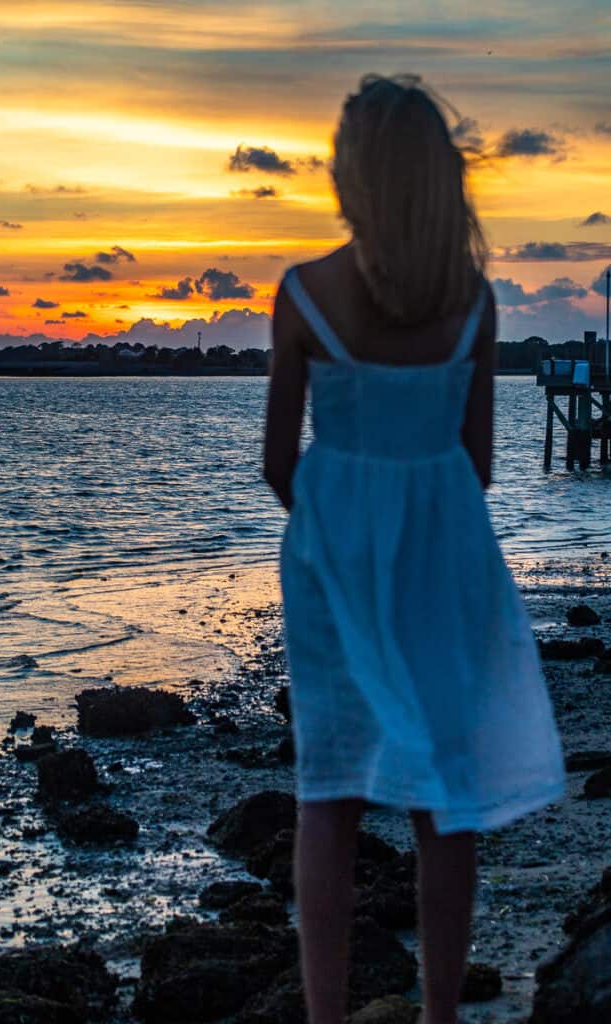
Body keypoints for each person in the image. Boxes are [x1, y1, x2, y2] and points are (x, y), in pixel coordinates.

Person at [263, 73, 565, 1024]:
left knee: (330, 790)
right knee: (446, 794)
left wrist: (336, 527)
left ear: (351, 179)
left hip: (331, 565)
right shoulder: (472, 305)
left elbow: (278, 461)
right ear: (441, 181)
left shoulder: (305, 294)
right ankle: (438, 1013)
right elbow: (472, 463)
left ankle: (324, 1012)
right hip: (446, 560)